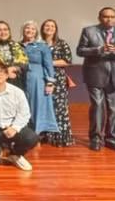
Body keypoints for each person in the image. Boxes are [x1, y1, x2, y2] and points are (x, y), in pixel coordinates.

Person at [77, 7, 115, 152]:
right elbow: (80, 50)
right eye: (106, 16)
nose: (109, 19)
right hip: (95, 75)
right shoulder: (89, 31)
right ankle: (96, 139)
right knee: (97, 107)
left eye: (112, 16)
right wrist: (99, 49)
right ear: (100, 18)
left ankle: (112, 139)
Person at [0, 62, 39, 171]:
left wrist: (14, 128)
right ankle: (0, 152)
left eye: (1, 72)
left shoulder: (17, 92)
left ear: (7, 75)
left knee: (31, 138)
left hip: (11, 127)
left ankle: (15, 154)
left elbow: (24, 113)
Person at [40, 19, 75, 147]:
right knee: (43, 107)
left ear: (55, 29)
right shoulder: (38, 43)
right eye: (47, 26)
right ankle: (44, 135)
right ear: (42, 28)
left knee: (59, 109)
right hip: (41, 78)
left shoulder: (62, 43)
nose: (49, 28)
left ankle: (60, 137)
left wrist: (48, 62)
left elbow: (67, 61)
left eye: (52, 26)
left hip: (58, 79)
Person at [20, 20, 59, 134]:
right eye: (27, 28)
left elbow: (48, 64)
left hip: (37, 79)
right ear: (23, 30)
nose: (30, 30)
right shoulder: (17, 46)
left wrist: (50, 82)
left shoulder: (42, 46)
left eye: (33, 29)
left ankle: (36, 132)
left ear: (36, 32)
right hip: (20, 78)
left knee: (36, 104)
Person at [0, 21, 28, 90]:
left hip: (15, 81)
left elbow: (24, 63)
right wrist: (6, 72)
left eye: (5, 29)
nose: (3, 32)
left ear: (9, 32)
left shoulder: (16, 45)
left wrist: (13, 68)